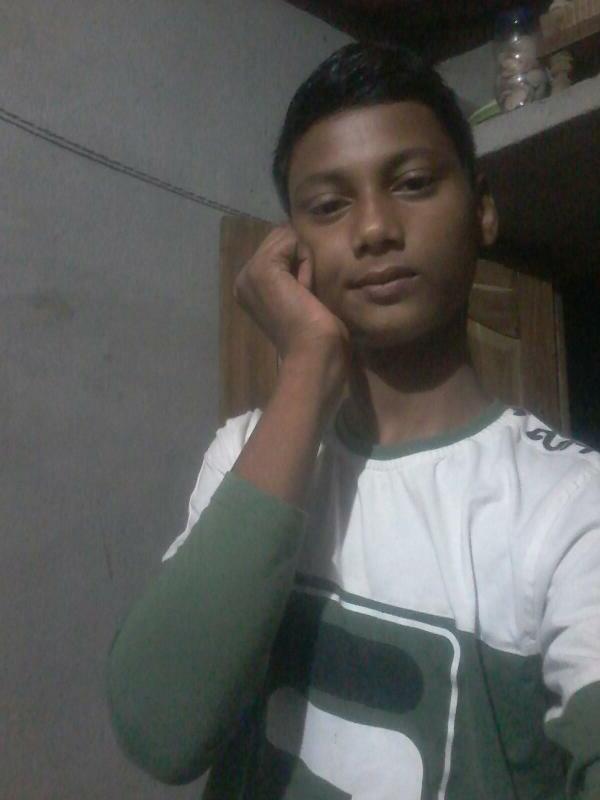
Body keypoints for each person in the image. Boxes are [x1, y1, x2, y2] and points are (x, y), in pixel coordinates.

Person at [107, 43, 600, 798]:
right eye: (329, 205)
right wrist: (308, 366)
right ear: (292, 248)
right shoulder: (244, 451)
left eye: (412, 183)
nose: (373, 228)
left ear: (483, 209)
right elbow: (160, 730)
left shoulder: (572, 506)